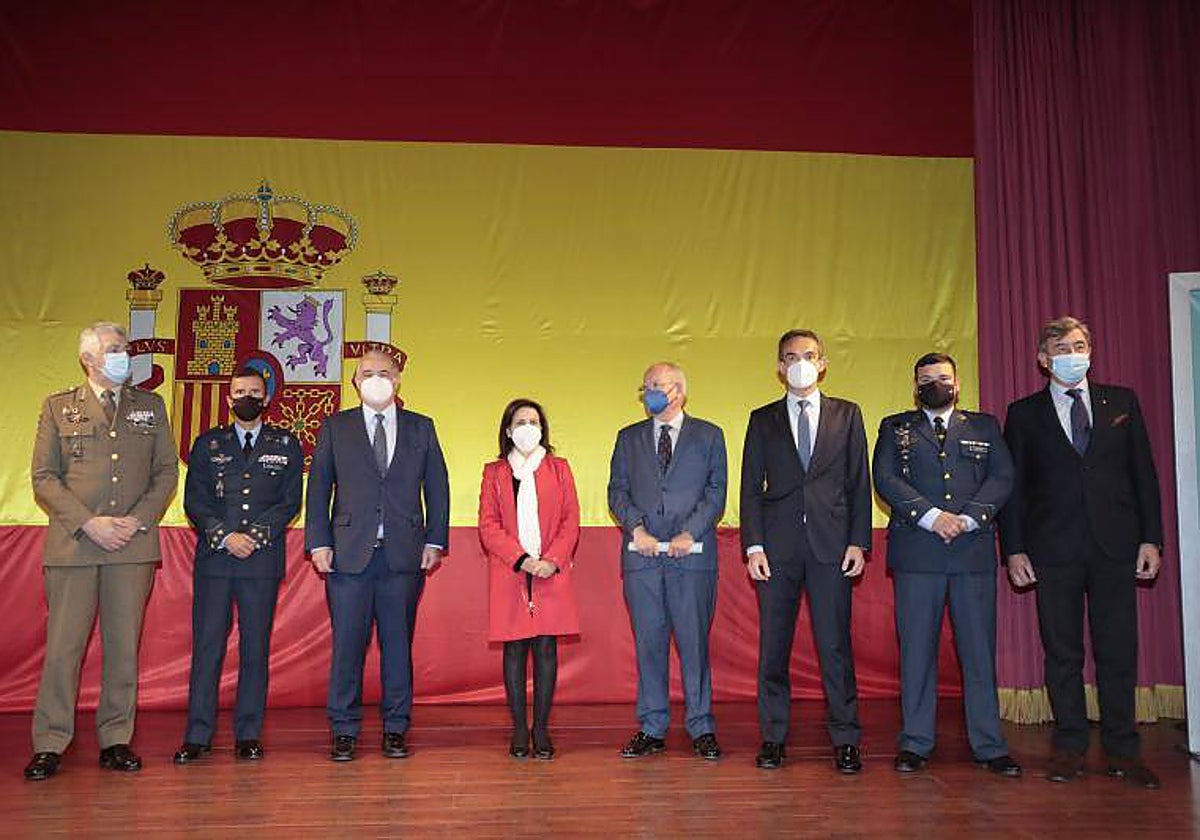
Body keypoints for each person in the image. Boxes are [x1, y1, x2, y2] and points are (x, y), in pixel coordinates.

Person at [1000, 316, 1163, 788]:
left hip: (1116, 547)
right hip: (1053, 549)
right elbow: (1015, 491)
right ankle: (1069, 747)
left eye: (1079, 345)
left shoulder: (1122, 402)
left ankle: (1123, 751)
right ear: (1043, 359)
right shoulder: (1024, 413)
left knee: (1117, 651)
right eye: (1061, 347)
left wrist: (1151, 538)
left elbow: (1144, 476)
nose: (1072, 354)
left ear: (1090, 350)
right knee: (1063, 652)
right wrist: (1014, 550)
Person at [25, 322, 178, 781]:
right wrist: (89, 522)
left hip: (131, 546)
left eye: (125, 348)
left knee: (122, 648)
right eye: (114, 349)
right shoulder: (59, 407)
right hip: (75, 545)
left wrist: (135, 521)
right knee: (63, 649)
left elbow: (167, 472)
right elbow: (43, 477)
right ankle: (50, 742)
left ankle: (116, 739)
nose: (124, 355)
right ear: (88, 359)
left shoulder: (149, 407)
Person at [872, 352, 1020, 777]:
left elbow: (1002, 477)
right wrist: (933, 517)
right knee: (917, 651)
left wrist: (970, 517)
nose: (934, 383)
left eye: (942, 377)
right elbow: (885, 479)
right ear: (915, 386)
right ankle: (915, 742)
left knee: (978, 653)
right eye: (926, 378)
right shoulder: (895, 427)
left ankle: (989, 745)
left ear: (957, 384)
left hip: (971, 552)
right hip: (918, 553)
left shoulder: (985, 426)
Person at [305, 349, 450, 762]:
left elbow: (437, 487)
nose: (376, 379)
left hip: (403, 556)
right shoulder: (336, 427)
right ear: (354, 382)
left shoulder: (422, 427)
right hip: (348, 556)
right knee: (347, 645)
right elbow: (318, 489)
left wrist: (435, 541)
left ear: (399, 379)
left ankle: (396, 727)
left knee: (397, 645)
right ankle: (344, 729)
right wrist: (318, 543)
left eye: (384, 372)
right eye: (367, 373)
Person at [740, 329, 870, 773]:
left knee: (835, 647)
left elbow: (858, 483)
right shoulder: (762, 419)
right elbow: (750, 490)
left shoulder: (848, 415)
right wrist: (753, 546)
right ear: (779, 367)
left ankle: (847, 738)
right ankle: (773, 737)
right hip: (776, 551)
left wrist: (859, 542)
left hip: (832, 548)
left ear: (824, 362)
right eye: (792, 357)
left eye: (809, 355)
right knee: (773, 648)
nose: (801, 363)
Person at [173, 366, 303, 764]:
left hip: (260, 563)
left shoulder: (286, 443)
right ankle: (198, 735)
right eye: (239, 391)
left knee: (254, 649)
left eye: (254, 391)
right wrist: (226, 536)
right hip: (216, 560)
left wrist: (255, 537)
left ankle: (248, 734)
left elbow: (289, 501)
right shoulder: (208, 443)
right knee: (208, 648)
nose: (247, 396)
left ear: (266, 399)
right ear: (229, 399)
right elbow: (194, 500)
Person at [608, 362, 727, 760]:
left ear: (678, 390)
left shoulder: (710, 436)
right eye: (645, 387)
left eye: (656, 385)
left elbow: (715, 493)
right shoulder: (628, 439)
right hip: (642, 559)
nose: (649, 393)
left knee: (694, 643)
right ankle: (652, 725)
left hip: (691, 558)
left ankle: (701, 726)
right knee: (649, 643)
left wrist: (689, 532)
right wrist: (636, 529)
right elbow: (617, 491)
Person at [478, 399, 581, 760]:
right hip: (510, 571)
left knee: (546, 649)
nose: (527, 427)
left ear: (543, 429)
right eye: (519, 421)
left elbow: (571, 520)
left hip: (551, 571)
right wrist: (522, 560)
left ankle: (542, 728)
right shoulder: (494, 473)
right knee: (515, 649)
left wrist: (550, 561)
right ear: (508, 430)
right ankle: (520, 728)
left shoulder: (559, 469)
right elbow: (488, 526)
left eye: (533, 421)